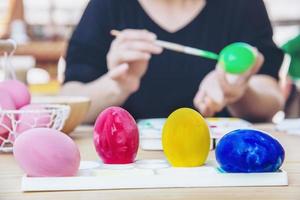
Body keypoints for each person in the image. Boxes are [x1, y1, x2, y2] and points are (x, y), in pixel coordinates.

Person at [62, 0, 285, 123]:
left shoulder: (243, 6)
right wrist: (116, 86)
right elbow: (67, 102)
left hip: (219, 159)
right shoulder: (107, 6)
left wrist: (237, 92)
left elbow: (271, 102)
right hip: (127, 165)